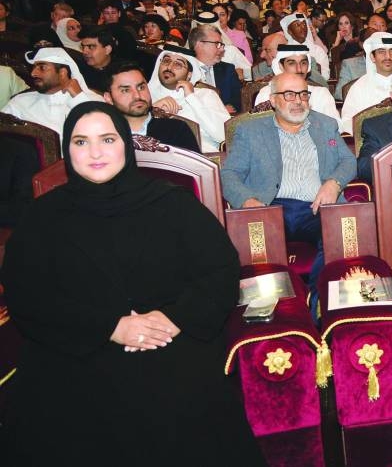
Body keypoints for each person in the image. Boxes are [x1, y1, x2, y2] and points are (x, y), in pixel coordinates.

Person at [1, 101, 266, 466]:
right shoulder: (42, 216)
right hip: (75, 345)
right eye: (81, 142)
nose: (95, 152)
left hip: (170, 337)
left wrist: (173, 319)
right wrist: (112, 327)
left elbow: (219, 270)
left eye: (107, 139)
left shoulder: (174, 205)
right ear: (67, 150)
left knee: (178, 406)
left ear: (125, 143)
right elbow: (28, 297)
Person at [221, 72, 357, 293]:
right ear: (273, 100)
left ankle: (320, 306)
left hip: (316, 207)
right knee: (259, 252)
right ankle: (278, 311)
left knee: (341, 237)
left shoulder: (326, 125)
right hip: (270, 207)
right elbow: (229, 174)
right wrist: (247, 201)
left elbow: (348, 160)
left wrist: (334, 182)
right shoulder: (250, 131)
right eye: (289, 94)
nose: (298, 101)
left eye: (303, 94)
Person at [2, 47, 103, 141]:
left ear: (62, 73)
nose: (33, 73)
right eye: (33, 68)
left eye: (42, 68)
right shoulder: (20, 102)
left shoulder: (93, 101)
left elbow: (101, 131)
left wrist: (78, 98)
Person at [148, 45, 230, 152]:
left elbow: (224, 135)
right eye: (166, 61)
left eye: (178, 64)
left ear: (189, 75)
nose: (169, 66)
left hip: (200, 159)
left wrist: (192, 98)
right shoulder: (145, 97)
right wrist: (153, 109)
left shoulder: (206, 95)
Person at [103, 63, 200, 153]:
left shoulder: (176, 129)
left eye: (141, 87)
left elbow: (197, 170)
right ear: (109, 98)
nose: (137, 96)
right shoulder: (102, 134)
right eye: (126, 90)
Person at [254, 44, 342, 131]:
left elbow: (336, 127)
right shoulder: (267, 93)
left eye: (303, 63)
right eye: (292, 63)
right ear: (280, 66)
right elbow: (260, 129)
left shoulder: (321, 93)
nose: (299, 69)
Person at [341, 31, 392, 134]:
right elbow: (347, 122)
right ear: (372, 57)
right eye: (382, 52)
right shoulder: (359, 87)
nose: (388, 57)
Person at [189, 24, 243, 113]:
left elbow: (238, 101)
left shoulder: (228, 69)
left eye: (222, 45)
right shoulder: (186, 71)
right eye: (218, 44)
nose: (222, 49)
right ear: (200, 44)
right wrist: (219, 110)